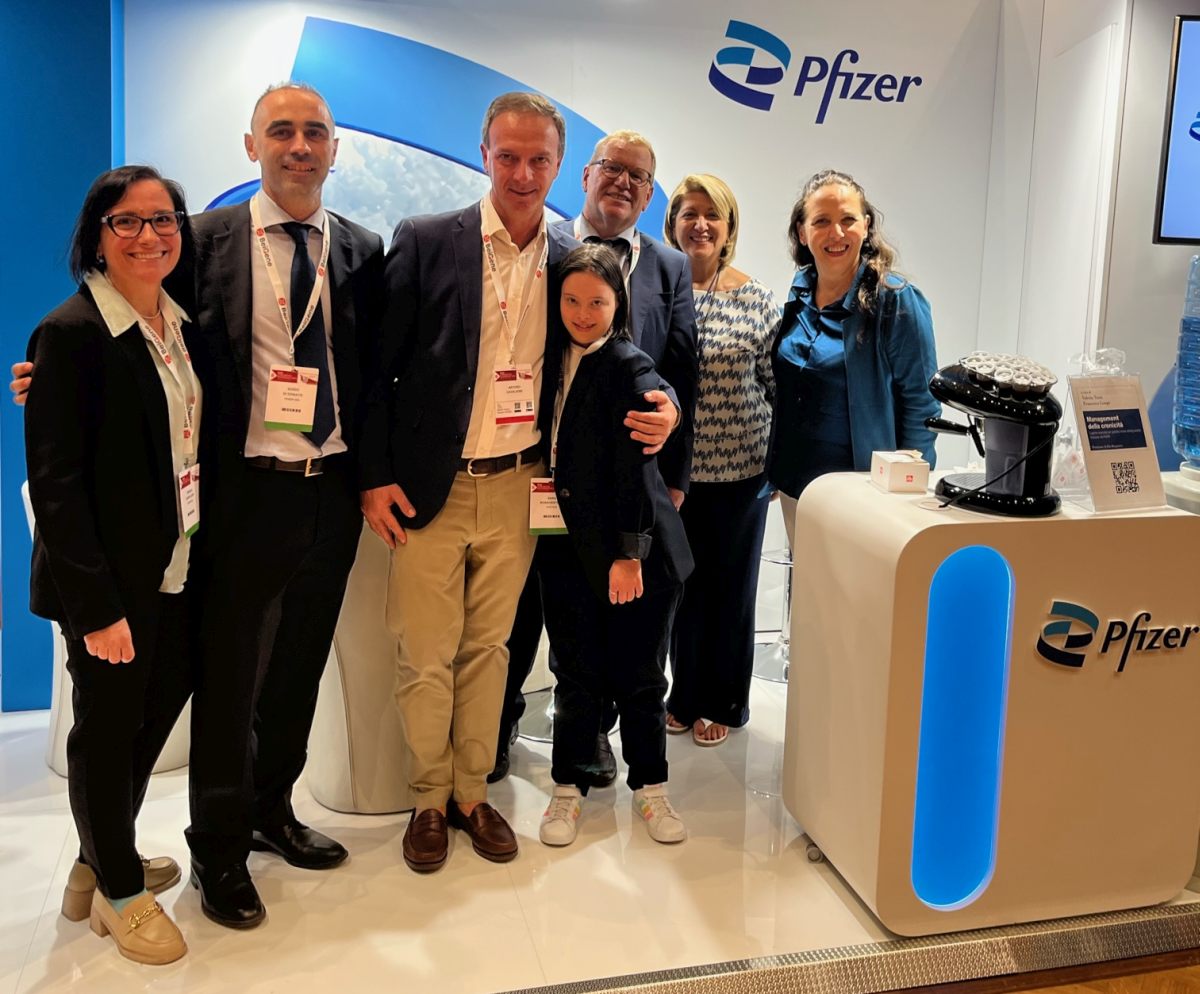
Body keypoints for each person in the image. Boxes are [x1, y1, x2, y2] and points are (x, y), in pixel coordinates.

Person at [358, 93, 677, 873]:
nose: (523, 173)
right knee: (424, 652)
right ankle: (428, 799)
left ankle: (472, 793)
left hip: (520, 486)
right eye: (508, 156)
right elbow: (377, 369)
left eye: (539, 159)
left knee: (490, 649)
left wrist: (663, 404)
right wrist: (374, 477)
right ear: (484, 154)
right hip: (431, 488)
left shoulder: (571, 255)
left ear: (560, 165)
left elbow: (614, 353)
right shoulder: (427, 239)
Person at [179, 82, 383, 928]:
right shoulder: (201, 241)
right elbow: (136, 332)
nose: (300, 146)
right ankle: (217, 847)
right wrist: (59, 376)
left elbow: (380, 371)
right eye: (282, 131)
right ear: (252, 145)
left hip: (330, 491)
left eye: (316, 133)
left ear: (335, 149)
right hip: (244, 495)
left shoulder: (363, 249)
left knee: (298, 669)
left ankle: (272, 811)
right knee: (231, 679)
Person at [24, 165, 199, 964]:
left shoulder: (179, 322)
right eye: (126, 221)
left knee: (143, 722)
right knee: (107, 731)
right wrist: (95, 608)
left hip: (174, 564)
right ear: (97, 236)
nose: (148, 235)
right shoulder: (70, 333)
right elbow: (56, 487)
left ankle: (97, 861)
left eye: (162, 220)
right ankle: (121, 894)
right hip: (107, 583)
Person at [494, 129, 698, 784]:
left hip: (619, 480)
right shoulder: (546, 245)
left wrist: (673, 458)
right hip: (531, 469)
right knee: (521, 611)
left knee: (601, 621)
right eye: (612, 167)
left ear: (650, 193)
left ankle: (591, 740)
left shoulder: (669, 267)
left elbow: (679, 371)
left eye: (638, 175)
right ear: (584, 175)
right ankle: (495, 731)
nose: (623, 182)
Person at [536, 244, 693, 847]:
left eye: (597, 302)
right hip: (565, 543)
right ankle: (568, 788)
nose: (582, 313)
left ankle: (651, 787)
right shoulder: (548, 356)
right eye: (571, 300)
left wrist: (629, 555)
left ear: (619, 304)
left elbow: (635, 471)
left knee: (641, 677)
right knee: (575, 674)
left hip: (636, 553)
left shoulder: (629, 366)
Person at [661, 174, 779, 747]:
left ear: (729, 228)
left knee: (729, 591)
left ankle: (724, 701)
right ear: (673, 223)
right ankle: (683, 696)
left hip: (740, 474)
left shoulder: (756, 299)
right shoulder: (658, 289)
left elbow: (777, 387)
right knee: (679, 589)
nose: (700, 224)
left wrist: (777, 468)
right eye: (689, 213)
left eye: (713, 214)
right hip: (671, 474)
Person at [766, 168, 940, 549]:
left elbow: (921, 406)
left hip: (863, 499)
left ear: (866, 225)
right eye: (821, 221)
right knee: (806, 586)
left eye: (848, 219)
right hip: (797, 489)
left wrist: (908, 498)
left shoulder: (896, 301)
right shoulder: (800, 293)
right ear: (802, 232)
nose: (837, 233)